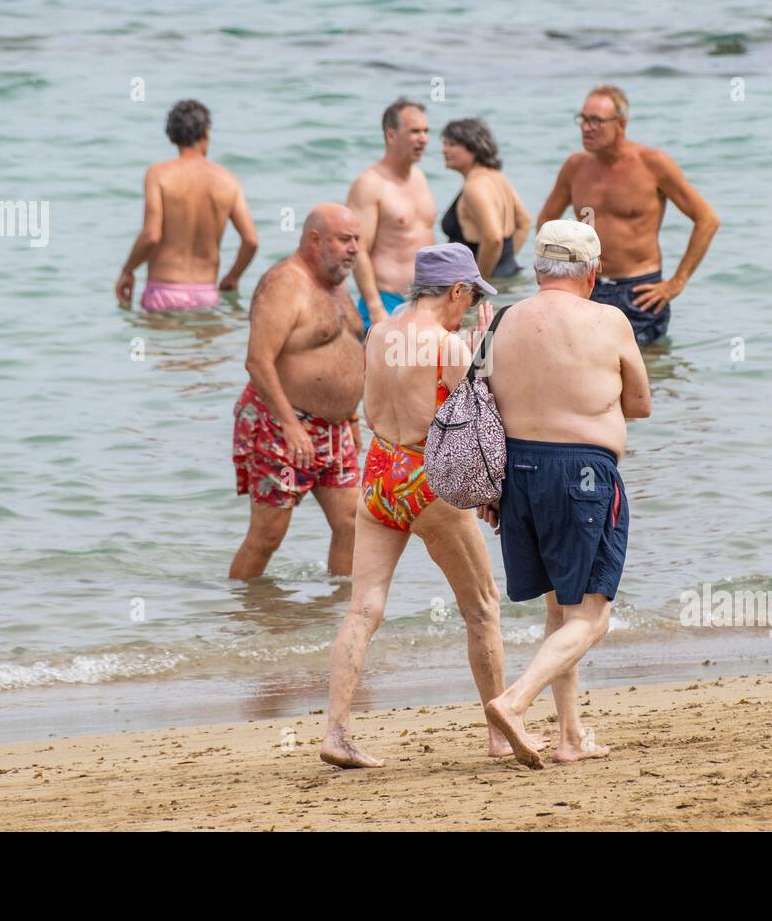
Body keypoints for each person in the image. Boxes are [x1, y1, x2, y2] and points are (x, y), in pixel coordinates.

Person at [320, 245, 550, 768]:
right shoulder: (447, 345)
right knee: (482, 608)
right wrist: (483, 346)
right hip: (429, 478)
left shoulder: (378, 333)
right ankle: (496, 736)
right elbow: (477, 409)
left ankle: (336, 731)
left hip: (379, 471)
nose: (468, 310)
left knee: (363, 608)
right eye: (469, 300)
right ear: (456, 291)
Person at [479, 219, 652, 769]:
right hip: (582, 474)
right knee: (592, 617)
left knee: (561, 608)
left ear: (536, 270)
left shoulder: (505, 320)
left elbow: (486, 404)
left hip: (518, 474)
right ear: (594, 273)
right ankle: (514, 699)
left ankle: (571, 738)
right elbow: (640, 403)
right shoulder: (609, 319)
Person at [229, 204, 364, 579]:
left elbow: (342, 350)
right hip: (280, 422)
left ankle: (339, 614)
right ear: (314, 239)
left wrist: (350, 417)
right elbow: (257, 361)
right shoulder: (285, 283)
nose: (354, 248)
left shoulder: (335, 284)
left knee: (352, 522)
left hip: (333, 430)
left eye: (357, 239)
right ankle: (240, 614)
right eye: (344, 239)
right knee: (268, 535)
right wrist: (291, 426)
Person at [537, 84, 720, 343]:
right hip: (587, 288)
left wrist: (676, 283)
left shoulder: (652, 163)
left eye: (596, 121)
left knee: (648, 375)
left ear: (621, 124)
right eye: (583, 119)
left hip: (640, 292)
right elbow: (547, 221)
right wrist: (555, 275)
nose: (586, 127)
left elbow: (707, 220)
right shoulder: (575, 167)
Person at [115, 99, 259, 312]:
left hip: (164, 293)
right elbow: (251, 240)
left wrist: (128, 270)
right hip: (206, 295)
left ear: (172, 137)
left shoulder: (158, 174)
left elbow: (151, 235)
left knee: (162, 346)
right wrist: (233, 276)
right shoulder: (228, 180)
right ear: (206, 133)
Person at [347, 98, 437, 332]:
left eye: (426, 131)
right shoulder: (369, 184)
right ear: (391, 136)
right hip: (388, 301)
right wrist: (375, 307)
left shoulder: (420, 177)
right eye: (415, 131)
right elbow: (358, 251)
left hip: (427, 301)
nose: (424, 138)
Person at [439, 118, 530, 279]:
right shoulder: (498, 177)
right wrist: (504, 263)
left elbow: (493, 239)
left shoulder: (475, 186)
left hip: (488, 284)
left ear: (474, 148)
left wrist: (479, 284)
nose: (444, 150)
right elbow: (524, 222)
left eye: (452, 144)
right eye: (444, 144)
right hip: (507, 274)